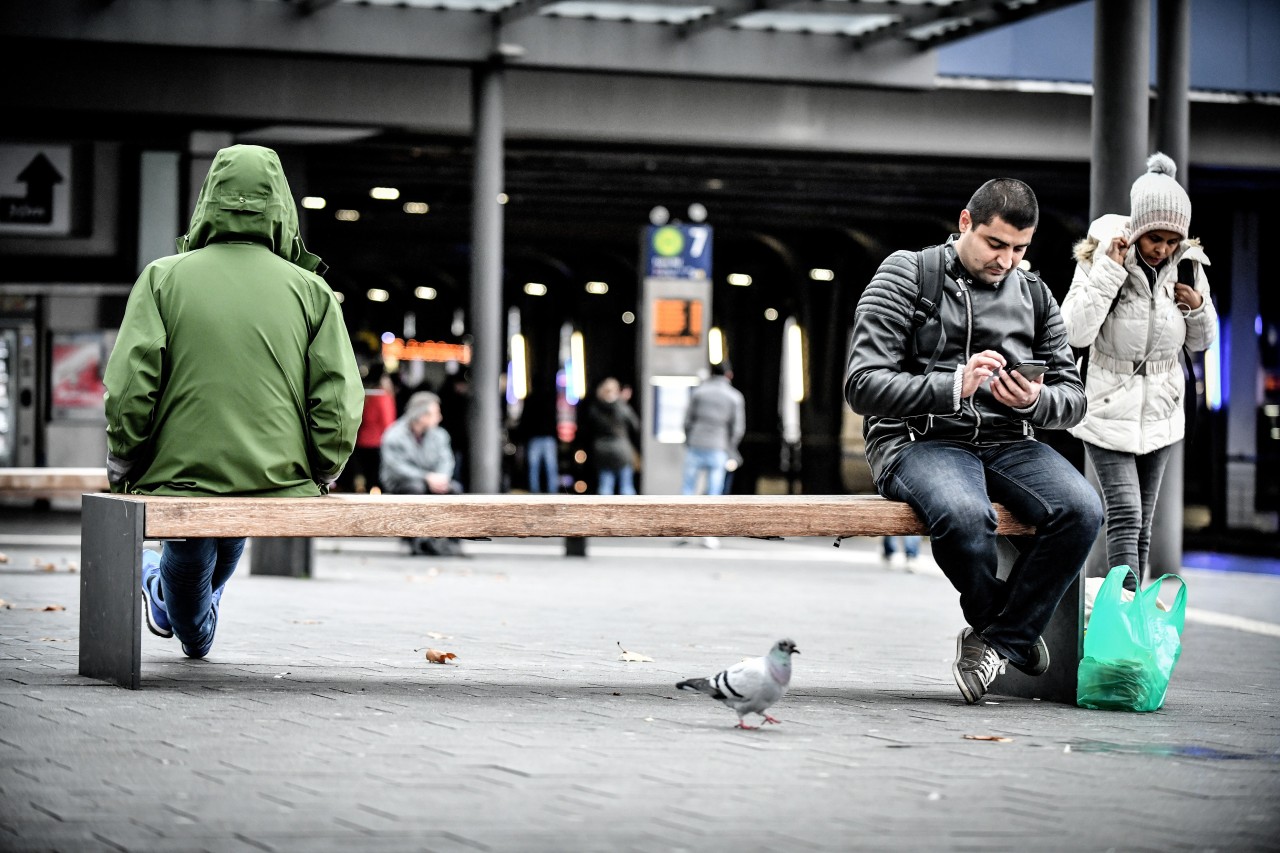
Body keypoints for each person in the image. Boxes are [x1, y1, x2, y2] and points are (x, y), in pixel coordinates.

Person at [845, 177, 1104, 704]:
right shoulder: (906, 274)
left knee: (1082, 510)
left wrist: (1030, 401)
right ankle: (1008, 632)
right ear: (966, 222)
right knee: (966, 516)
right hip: (918, 440)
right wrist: (950, 386)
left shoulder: (1034, 293)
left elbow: (1074, 398)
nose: (1007, 260)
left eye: (1020, 249)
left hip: (1009, 438)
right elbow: (862, 384)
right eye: (996, 243)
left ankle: (996, 640)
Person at [104, 144, 363, 659]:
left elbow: (131, 384)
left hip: (177, 474)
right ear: (281, 206)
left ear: (208, 202)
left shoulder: (162, 278)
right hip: (275, 477)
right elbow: (336, 395)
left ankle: (169, 597)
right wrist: (324, 468)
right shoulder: (311, 291)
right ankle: (184, 618)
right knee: (225, 535)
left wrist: (122, 458)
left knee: (192, 557)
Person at [1061, 153, 1217, 592]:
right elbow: (1074, 329)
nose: (1163, 248)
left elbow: (1201, 343)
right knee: (1125, 513)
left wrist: (1199, 308)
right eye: (1156, 238)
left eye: (1172, 240)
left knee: (1143, 522)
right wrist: (1110, 271)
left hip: (1162, 409)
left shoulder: (1187, 265)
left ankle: (1131, 614)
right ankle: (1125, 613)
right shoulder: (1098, 256)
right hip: (1108, 405)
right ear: (1139, 227)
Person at [380, 390, 465, 556]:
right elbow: (396, 467)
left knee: (454, 489)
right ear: (421, 416)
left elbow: (446, 460)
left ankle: (452, 540)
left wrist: (442, 478)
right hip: (401, 483)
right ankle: (416, 539)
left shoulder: (440, 435)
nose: (439, 417)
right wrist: (426, 477)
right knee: (415, 488)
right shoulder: (394, 435)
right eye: (435, 413)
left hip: (432, 480)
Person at [681, 360, 746, 548]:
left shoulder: (699, 392)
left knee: (688, 488)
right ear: (729, 375)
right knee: (713, 491)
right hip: (718, 446)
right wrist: (730, 447)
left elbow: (687, 420)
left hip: (696, 444)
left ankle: (683, 530)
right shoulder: (734, 396)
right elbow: (738, 428)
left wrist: (689, 439)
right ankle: (708, 533)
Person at [586, 377, 639, 495]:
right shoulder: (621, 407)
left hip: (602, 451)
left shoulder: (595, 408)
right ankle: (630, 513)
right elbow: (635, 425)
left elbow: (589, 428)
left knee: (605, 488)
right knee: (626, 488)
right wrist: (622, 402)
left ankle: (604, 514)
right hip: (621, 451)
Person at [518, 384, 560, 493]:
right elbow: (555, 419)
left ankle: (534, 491)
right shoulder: (551, 399)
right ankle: (552, 491)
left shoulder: (530, 399)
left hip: (535, 437)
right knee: (550, 466)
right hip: (547, 437)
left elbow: (524, 420)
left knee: (534, 467)